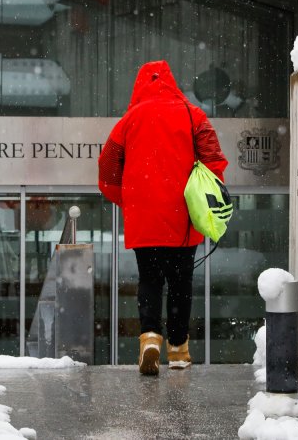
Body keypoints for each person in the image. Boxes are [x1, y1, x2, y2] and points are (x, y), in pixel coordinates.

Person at [97, 61, 228, 376]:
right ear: (172, 83)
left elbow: (107, 163)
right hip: (183, 212)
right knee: (181, 282)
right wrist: (202, 190)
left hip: (144, 214)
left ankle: (150, 337)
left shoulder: (129, 120)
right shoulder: (193, 115)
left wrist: (125, 197)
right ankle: (179, 349)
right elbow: (214, 159)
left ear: (139, 85)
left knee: (150, 279)